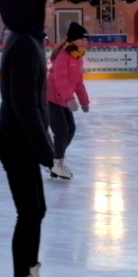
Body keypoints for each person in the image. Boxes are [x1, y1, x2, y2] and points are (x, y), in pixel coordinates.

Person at [0, 0, 56, 277]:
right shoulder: (23, 45)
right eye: (49, 5)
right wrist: (46, 151)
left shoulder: (30, 40)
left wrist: (45, 145)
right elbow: (24, 105)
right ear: (31, 8)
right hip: (15, 139)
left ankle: (31, 269)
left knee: (37, 209)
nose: (52, 11)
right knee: (30, 211)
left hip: (22, 136)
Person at [47, 22, 91, 180]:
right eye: (82, 40)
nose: (85, 43)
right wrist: (70, 99)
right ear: (73, 40)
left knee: (70, 130)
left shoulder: (77, 58)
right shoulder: (63, 56)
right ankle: (58, 164)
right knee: (62, 131)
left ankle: (56, 162)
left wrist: (84, 101)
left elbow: (78, 82)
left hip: (64, 100)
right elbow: (60, 80)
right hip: (51, 99)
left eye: (86, 40)